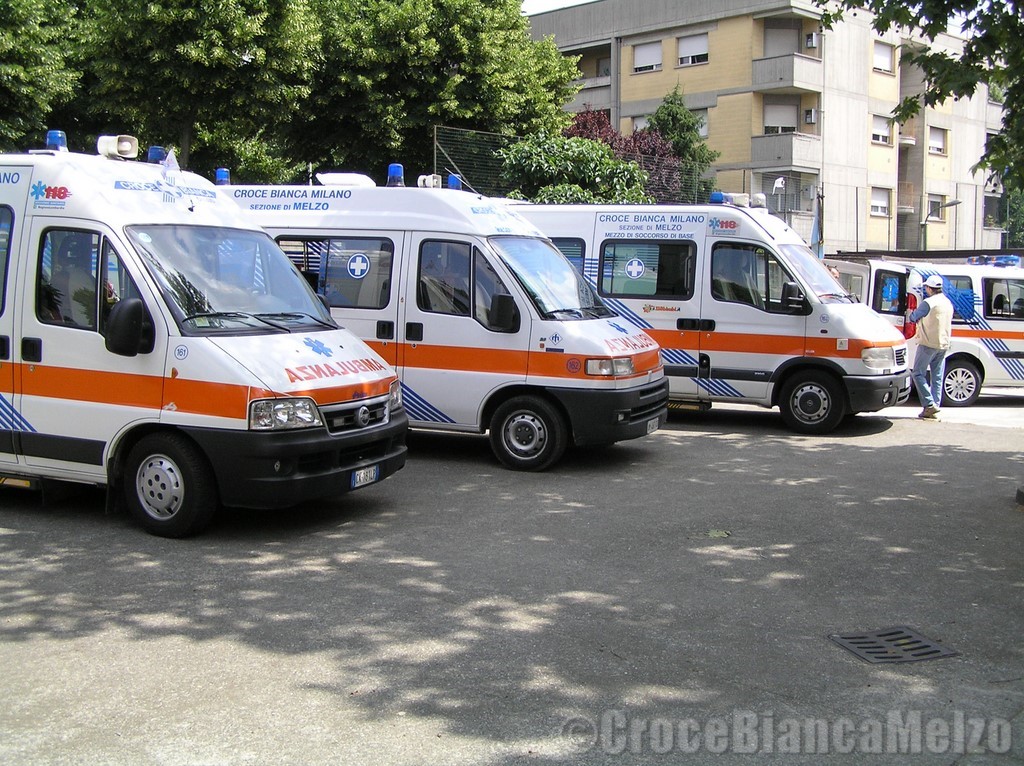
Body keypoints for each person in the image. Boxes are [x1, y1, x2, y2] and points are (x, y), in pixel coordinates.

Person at [908, 274, 954, 419]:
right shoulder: (947, 302)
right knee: (937, 377)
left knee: (917, 373)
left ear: (929, 288)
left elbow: (913, 317)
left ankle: (929, 404)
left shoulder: (928, 303)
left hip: (928, 343)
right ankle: (934, 407)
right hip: (943, 344)